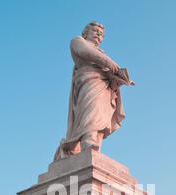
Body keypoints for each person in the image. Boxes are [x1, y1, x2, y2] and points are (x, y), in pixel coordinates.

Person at [54, 21, 131, 160]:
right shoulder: (78, 41)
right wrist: (112, 65)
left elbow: (107, 69)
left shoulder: (102, 53)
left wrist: (119, 79)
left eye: (101, 35)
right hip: (89, 81)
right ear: (86, 33)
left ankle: (94, 146)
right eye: (95, 31)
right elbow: (86, 52)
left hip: (105, 87)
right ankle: (87, 142)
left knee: (102, 118)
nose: (98, 35)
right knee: (91, 111)